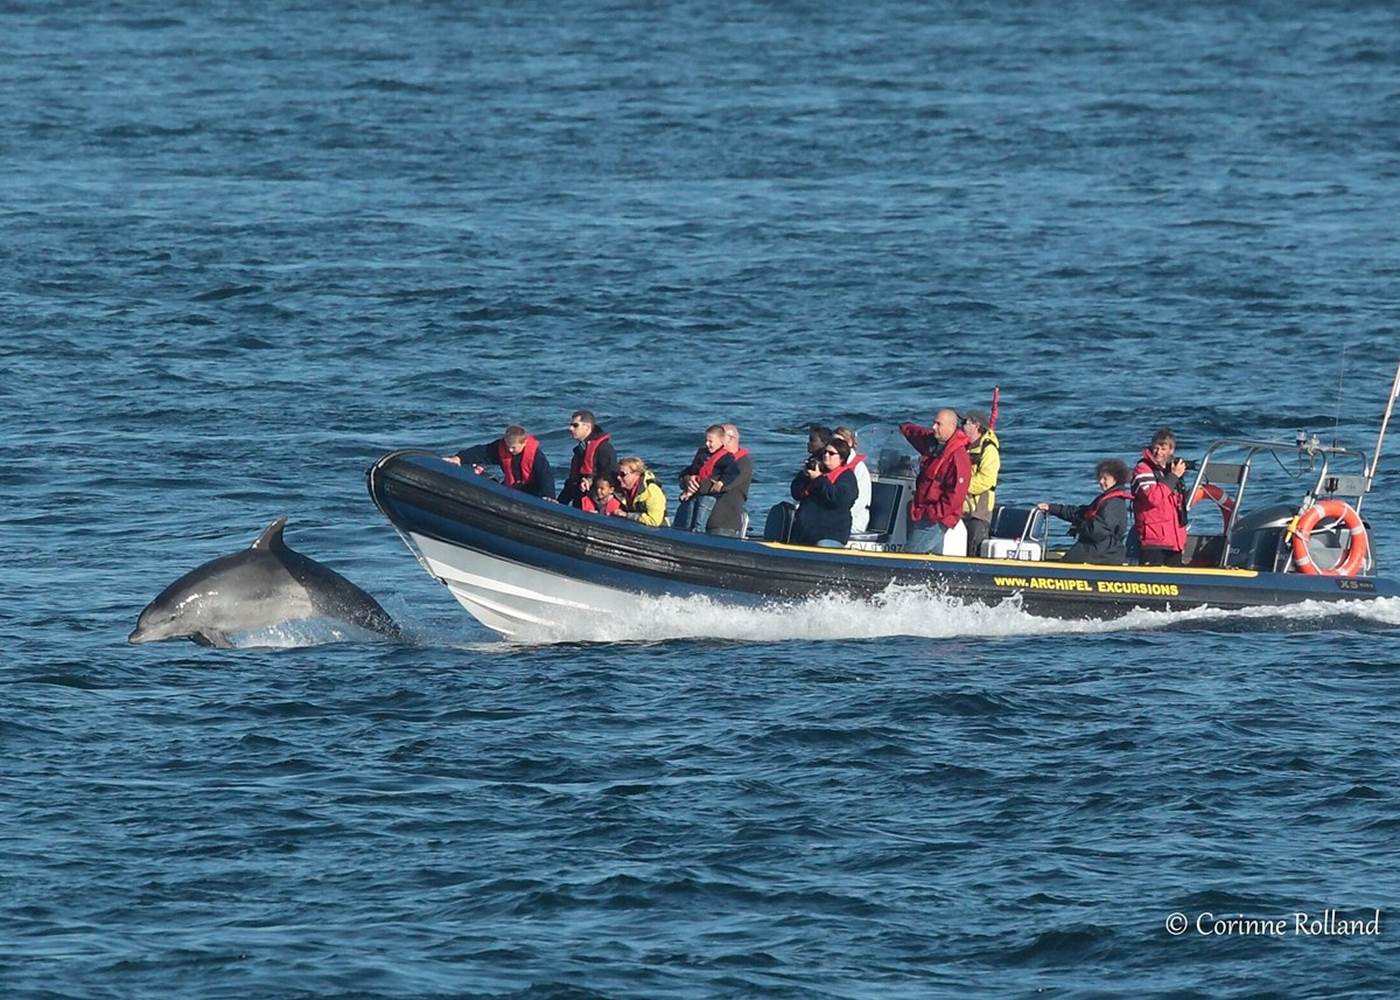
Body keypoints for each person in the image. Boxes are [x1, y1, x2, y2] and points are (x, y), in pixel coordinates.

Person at [900, 408, 972, 555]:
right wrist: (903, 426)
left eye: (938, 424)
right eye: (933, 423)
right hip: (924, 512)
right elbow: (917, 434)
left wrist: (933, 514)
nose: (934, 427)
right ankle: (935, 578)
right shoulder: (933, 443)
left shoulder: (958, 457)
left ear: (951, 427)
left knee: (909, 555)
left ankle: (898, 577)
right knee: (930, 560)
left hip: (935, 518)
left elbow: (956, 496)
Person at [1037, 459, 1133, 564]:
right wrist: (1052, 508)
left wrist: (1078, 526)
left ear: (1115, 480)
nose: (1101, 482)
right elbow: (1079, 513)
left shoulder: (1113, 504)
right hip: (1096, 549)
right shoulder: (1106, 500)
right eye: (1100, 478)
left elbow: (1097, 531)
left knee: (1068, 561)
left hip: (1103, 554)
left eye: (1105, 479)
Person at [445, 424, 555, 498]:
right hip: (512, 488)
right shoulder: (501, 447)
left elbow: (545, 475)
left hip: (533, 491)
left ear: (524, 443)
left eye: (513, 448)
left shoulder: (536, 455)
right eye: (508, 447)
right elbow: (481, 452)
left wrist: (549, 496)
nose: (510, 450)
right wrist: (459, 458)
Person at [790, 435, 860, 546]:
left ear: (841, 458)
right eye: (825, 452)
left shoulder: (847, 477)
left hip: (830, 535)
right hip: (805, 534)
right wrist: (804, 476)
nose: (826, 456)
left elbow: (837, 499)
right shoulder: (816, 472)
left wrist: (818, 479)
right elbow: (796, 493)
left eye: (831, 454)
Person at [1133, 428, 1188, 566]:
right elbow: (1154, 498)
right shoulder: (1143, 468)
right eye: (1156, 448)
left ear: (1171, 450)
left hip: (1174, 540)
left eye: (1163, 449)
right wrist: (1174, 476)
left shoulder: (1169, 472)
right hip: (1153, 539)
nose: (1158, 452)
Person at [673, 424, 740, 532]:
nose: (707, 444)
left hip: (708, 495)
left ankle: (698, 534)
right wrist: (686, 479)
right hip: (694, 491)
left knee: (700, 519)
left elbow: (732, 472)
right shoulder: (702, 454)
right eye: (706, 441)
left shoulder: (726, 458)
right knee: (688, 517)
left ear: (722, 441)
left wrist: (721, 483)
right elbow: (693, 469)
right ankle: (686, 534)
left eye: (710, 441)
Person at [960, 410, 1000, 557]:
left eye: (964, 423)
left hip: (978, 512)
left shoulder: (988, 449)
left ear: (976, 426)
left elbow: (986, 479)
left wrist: (960, 487)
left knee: (974, 550)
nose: (961, 426)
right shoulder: (963, 447)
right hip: (959, 509)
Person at [557, 410, 617, 508]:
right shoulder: (581, 449)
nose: (570, 428)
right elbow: (573, 481)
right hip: (580, 501)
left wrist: (591, 480)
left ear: (587, 427)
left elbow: (610, 476)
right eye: (570, 425)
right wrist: (560, 503)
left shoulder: (604, 449)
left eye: (575, 425)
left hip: (595, 503)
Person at [705, 422, 753, 537]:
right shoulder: (709, 457)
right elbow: (691, 470)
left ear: (731, 439)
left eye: (721, 437)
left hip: (722, 524)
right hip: (701, 518)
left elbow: (719, 485)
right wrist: (687, 479)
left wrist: (697, 483)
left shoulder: (742, 463)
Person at [832, 426, 871, 534]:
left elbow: (860, 502)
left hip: (854, 520)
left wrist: (838, 519)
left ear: (849, 443)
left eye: (839, 442)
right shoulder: (832, 463)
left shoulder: (859, 468)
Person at [616, 457, 667, 526]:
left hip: (656, 531)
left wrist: (627, 515)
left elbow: (654, 521)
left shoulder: (652, 491)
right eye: (617, 474)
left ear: (636, 474)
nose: (618, 477)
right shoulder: (620, 489)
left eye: (622, 474)